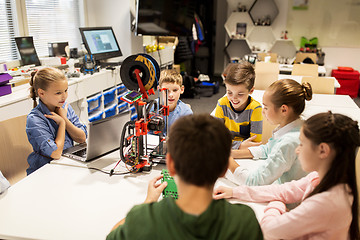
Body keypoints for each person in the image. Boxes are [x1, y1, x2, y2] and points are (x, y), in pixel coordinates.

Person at [107, 114, 263, 240]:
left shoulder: (142, 218)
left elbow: (111, 236)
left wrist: (148, 202)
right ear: (224, 169)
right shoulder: (244, 222)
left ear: (170, 165)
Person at [214, 111, 360, 240]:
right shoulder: (321, 178)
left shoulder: (326, 202)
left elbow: (269, 230)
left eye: (302, 144)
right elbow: (285, 190)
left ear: (323, 150)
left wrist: (276, 205)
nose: (297, 150)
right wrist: (235, 192)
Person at [228, 79, 313, 186]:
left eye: (266, 107)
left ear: (284, 110)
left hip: (290, 199)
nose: (263, 111)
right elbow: (269, 148)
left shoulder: (288, 142)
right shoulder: (299, 126)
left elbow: (255, 182)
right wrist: (233, 153)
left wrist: (227, 162)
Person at [26, 67, 87, 175]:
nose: (64, 96)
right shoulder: (35, 119)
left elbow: (82, 138)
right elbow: (56, 153)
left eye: (66, 90)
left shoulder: (63, 107)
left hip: (66, 163)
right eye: (58, 93)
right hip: (45, 170)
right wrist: (62, 124)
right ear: (41, 93)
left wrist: (64, 119)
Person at [215, 62, 263, 150]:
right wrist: (239, 145)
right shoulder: (222, 104)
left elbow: (255, 143)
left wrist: (229, 145)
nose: (234, 98)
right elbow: (215, 137)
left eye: (240, 94)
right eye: (229, 92)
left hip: (242, 154)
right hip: (225, 150)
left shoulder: (255, 108)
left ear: (251, 90)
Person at [158, 69, 192, 135]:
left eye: (175, 90)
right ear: (159, 89)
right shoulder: (151, 107)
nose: (170, 95)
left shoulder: (186, 112)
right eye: (166, 91)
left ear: (182, 90)